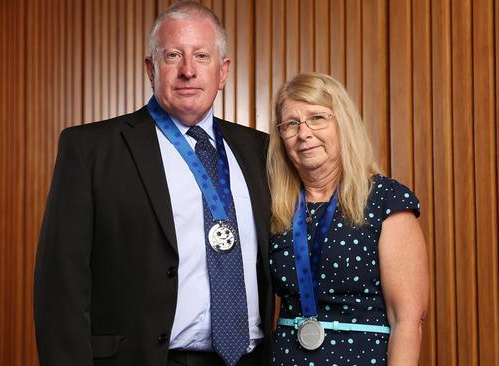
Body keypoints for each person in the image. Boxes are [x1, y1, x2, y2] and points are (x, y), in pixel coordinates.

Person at [33, 2, 273, 366]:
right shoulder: (91, 149)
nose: (188, 71)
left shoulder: (260, 150)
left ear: (223, 72)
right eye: (173, 55)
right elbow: (61, 284)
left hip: (251, 359)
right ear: (151, 68)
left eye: (202, 56)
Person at [267, 72, 428, 365]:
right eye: (291, 124)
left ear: (343, 124)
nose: (304, 133)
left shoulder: (385, 199)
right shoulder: (278, 207)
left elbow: (407, 321)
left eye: (317, 118)